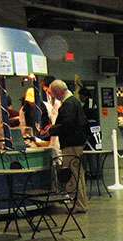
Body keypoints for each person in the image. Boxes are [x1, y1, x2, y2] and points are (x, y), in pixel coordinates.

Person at [46, 80, 90, 213]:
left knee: (74, 175)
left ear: (58, 91)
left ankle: (80, 204)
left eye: (53, 93)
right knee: (78, 174)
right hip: (77, 143)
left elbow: (67, 125)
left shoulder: (68, 104)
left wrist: (51, 130)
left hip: (71, 144)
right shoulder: (74, 102)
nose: (53, 96)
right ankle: (81, 203)